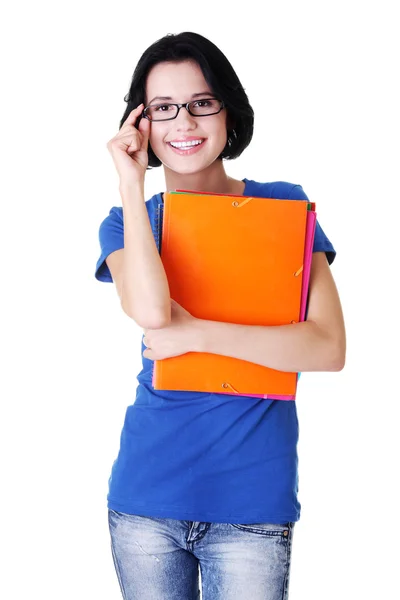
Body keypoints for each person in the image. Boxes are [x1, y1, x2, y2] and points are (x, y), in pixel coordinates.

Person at [95, 31, 346, 600]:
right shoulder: (127, 223)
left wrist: (196, 334)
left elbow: (327, 349)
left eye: (202, 103)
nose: (184, 123)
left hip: (251, 503)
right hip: (145, 499)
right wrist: (133, 187)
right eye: (164, 109)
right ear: (143, 126)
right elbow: (153, 312)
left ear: (228, 111)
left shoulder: (283, 207)